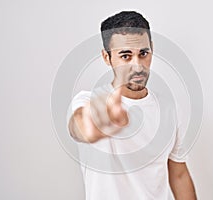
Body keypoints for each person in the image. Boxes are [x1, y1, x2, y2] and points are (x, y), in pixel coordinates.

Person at [68, 11, 197, 200]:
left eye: (143, 53)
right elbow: (78, 126)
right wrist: (92, 124)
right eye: (126, 56)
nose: (138, 66)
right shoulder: (88, 101)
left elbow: (178, 174)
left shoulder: (169, 108)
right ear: (107, 57)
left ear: (152, 49)